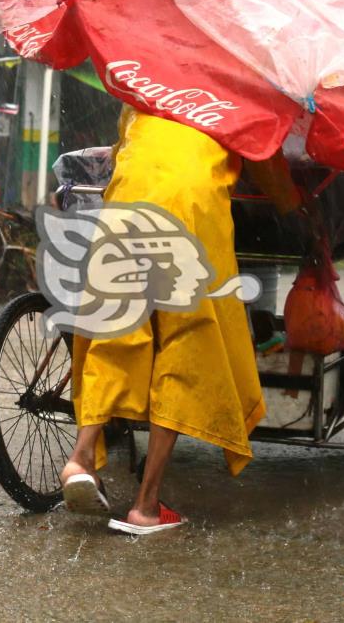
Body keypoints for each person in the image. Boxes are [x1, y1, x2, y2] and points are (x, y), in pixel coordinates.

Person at [59, 105, 301, 535]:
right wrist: (298, 208)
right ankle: (146, 506)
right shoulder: (235, 90)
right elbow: (270, 168)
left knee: (118, 328)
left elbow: (124, 147)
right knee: (184, 348)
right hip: (191, 210)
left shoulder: (146, 82)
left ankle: (79, 458)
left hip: (126, 201)